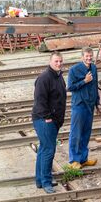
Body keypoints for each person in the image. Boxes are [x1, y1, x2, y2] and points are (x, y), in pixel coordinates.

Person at [32, 52, 67, 194]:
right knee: (48, 150)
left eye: (60, 61)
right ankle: (46, 182)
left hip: (54, 120)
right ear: (50, 61)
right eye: (56, 61)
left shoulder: (58, 77)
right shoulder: (44, 78)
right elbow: (39, 100)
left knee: (43, 149)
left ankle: (40, 180)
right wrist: (47, 117)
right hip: (44, 120)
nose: (58, 63)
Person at [67, 47, 101, 169]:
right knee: (76, 133)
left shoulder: (93, 68)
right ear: (82, 57)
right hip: (79, 105)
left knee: (86, 133)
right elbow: (70, 87)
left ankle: (83, 159)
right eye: (86, 56)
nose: (89, 58)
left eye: (90, 56)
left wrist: (97, 103)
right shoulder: (74, 70)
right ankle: (74, 161)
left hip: (90, 105)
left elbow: (95, 86)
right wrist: (84, 81)